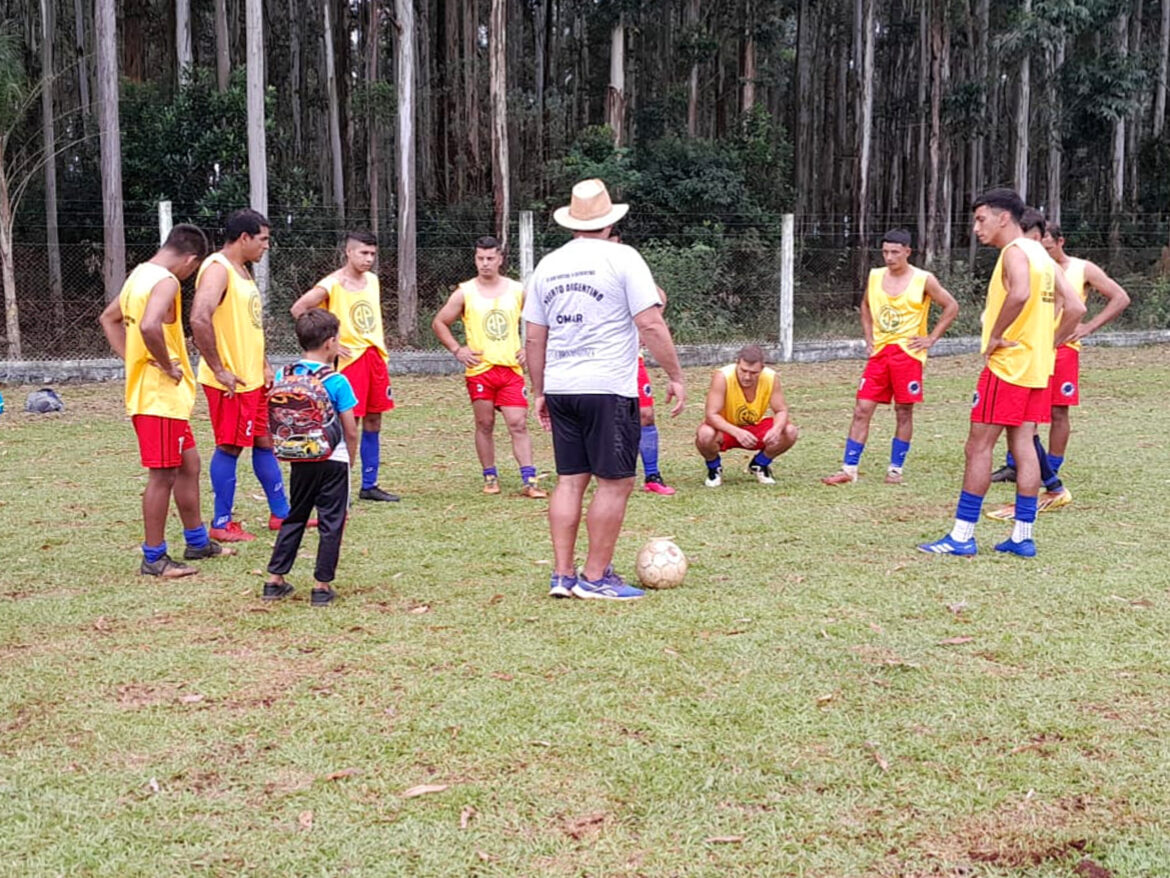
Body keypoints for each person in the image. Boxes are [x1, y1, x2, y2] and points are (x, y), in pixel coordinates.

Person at [524, 178, 686, 601]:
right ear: (609, 219)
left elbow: (534, 338)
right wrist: (676, 375)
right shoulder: (624, 257)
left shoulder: (547, 264)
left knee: (569, 480)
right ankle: (595, 577)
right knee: (615, 483)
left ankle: (562, 575)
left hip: (561, 386)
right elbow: (650, 322)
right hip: (609, 387)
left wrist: (539, 389)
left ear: (573, 222)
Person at [919, 189, 1085, 558]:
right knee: (1024, 447)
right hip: (1038, 370)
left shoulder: (1014, 253)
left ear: (1003, 218)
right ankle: (1022, 536)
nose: (976, 227)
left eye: (981, 219)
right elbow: (1074, 306)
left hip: (1008, 368)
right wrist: (1050, 344)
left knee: (977, 446)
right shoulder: (1042, 255)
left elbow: (1020, 294)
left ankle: (962, 536)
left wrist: (995, 334)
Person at [98, 224, 232, 577]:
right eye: (193, 269)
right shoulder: (166, 281)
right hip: (158, 397)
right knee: (162, 476)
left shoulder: (138, 275)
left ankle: (198, 541)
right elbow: (148, 326)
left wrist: (136, 359)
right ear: (190, 259)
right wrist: (164, 363)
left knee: (189, 465)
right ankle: (154, 558)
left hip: (164, 399)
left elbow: (109, 319)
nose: (189, 277)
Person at [989, 222, 1131, 493]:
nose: (1041, 249)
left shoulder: (1081, 269)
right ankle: (1016, 465)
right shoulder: (1029, 266)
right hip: (1029, 348)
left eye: (1047, 245)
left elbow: (1120, 297)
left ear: (1059, 241)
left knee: (1057, 410)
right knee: (1022, 410)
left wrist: (1088, 328)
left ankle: (1051, 467)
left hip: (1062, 349)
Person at [822, 229, 958, 486]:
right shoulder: (875, 276)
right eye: (885, 251)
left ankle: (895, 470)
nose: (889, 257)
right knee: (862, 408)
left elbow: (951, 306)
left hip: (908, 355)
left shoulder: (923, 279)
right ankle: (848, 469)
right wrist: (869, 337)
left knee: (903, 411)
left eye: (895, 252)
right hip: (880, 354)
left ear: (908, 251)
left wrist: (931, 339)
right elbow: (865, 306)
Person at [190, 208, 289, 542]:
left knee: (264, 441)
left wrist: (263, 363)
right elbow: (199, 318)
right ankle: (221, 523)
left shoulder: (242, 271)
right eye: (262, 240)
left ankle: (282, 515)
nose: (266, 247)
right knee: (230, 446)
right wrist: (220, 369)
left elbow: (250, 326)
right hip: (230, 382)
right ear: (244, 238)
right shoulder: (218, 269)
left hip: (253, 378)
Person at [431, 235, 547, 498]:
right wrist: (457, 349)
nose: (485, 263)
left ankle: (530, 480)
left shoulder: (517, 290)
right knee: (485, 423)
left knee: (518, 423)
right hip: (480, 370)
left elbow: (540, 319)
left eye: (490, 258)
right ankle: (490, 476)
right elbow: (440, 322)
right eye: (480, 258)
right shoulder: (465, 292)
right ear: (475, 259)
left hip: (510, 371)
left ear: (500, 259)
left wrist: (530, 348)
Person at [291, 230, 399, 503]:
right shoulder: (332, 283)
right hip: (350, 361)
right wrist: (328, 343)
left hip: (375, 358)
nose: (369, 259)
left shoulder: (373, 281)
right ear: (348, 252)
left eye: (373, 253)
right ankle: (339, 483)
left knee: (375, 418)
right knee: (348, 422)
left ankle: (370, 484)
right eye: (363, 252)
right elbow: (299, 308)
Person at [264, 310, 359, 606]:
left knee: (296, 514)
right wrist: (350, 458)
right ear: (330, 343)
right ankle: (321, 585)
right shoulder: (338, 381)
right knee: (332, 520)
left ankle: (274, 579)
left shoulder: (284, 374)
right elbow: (351, 429)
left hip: (298, 456)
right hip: (333, 458)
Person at [609, 231, 675, 495]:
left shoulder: (630, 271)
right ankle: (608, 475)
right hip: (600, 364)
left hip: (632, 361)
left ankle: (652, 476)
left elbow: (659, 297)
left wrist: (646, 328)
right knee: (606, 420)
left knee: (646, 415)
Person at [695, 344, 799, 487]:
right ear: (737, 363)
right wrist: (737, 432)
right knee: (705, 434)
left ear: (762, 368)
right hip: (726, 429)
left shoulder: (771, 377)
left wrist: (776, 430)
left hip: (754, 427)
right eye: (743, 370)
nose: (747, 376)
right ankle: (714, 468)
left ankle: (760, 464)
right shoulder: (722, 376)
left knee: (790, 431)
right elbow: (711, 415)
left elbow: (781, 410)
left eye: (753, 373)